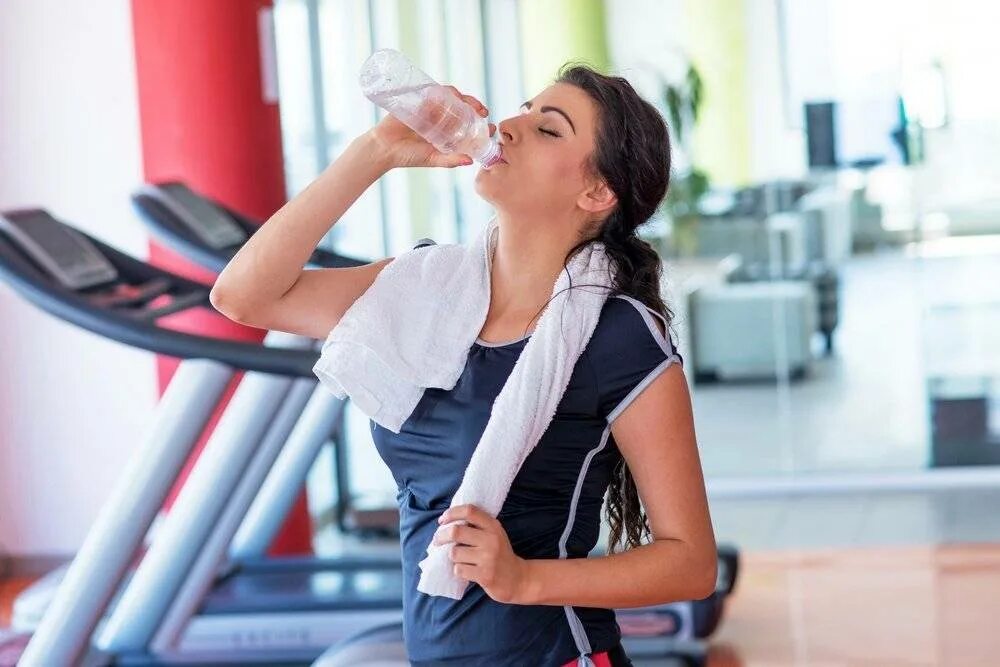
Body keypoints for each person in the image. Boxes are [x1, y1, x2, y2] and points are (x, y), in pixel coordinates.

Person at [210, 62, 717, 667]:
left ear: (596, 193)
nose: (509, 127)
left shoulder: (617, 335)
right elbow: (243, 296)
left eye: (548, 129)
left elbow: (690, 561)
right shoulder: (424, 293)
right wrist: (375, 151)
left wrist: (525, 579)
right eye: (523, 110)